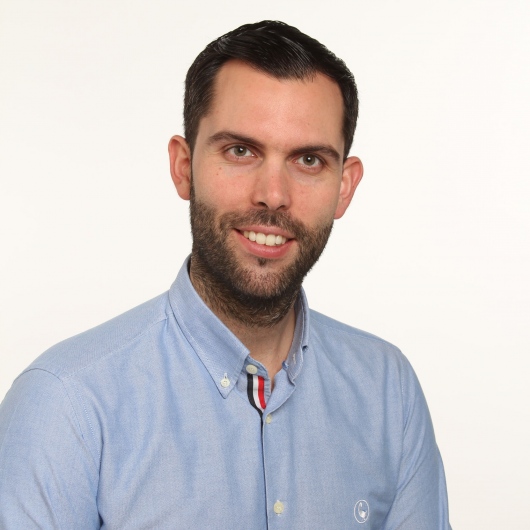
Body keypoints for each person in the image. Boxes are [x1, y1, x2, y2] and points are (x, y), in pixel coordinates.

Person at [0, 20, 451, 529]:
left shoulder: (389, 392)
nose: (273, 195)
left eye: (308, 159)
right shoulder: (66, 406)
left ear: (344, 188)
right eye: (241, 151)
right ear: (183, 167)